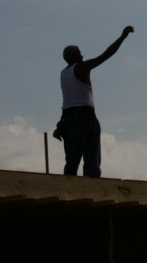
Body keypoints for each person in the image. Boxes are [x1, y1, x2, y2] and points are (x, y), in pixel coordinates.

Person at [57, 25, 134, 177]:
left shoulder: (63, 73)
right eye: (79, 53)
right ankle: (91, 190)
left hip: (68, 120)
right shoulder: (81, 68)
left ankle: (67, 188)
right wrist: (122, 37)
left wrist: (61, 122)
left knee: (71, 160)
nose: (82, 55)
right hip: (84, 119)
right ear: (72, 56)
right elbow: (106, 55)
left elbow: (67, 99)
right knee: (91, 157)